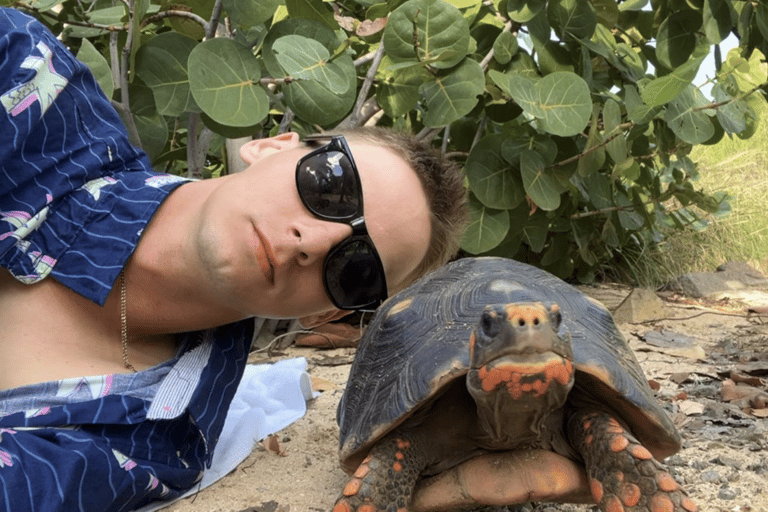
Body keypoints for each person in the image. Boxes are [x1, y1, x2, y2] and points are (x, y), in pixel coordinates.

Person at [0, 6, 592, 512]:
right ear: (271, 145)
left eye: (355, 272)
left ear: (324, 316)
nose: (316, 242)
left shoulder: (146, 447)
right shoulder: (28, 83)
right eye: (331, 187)